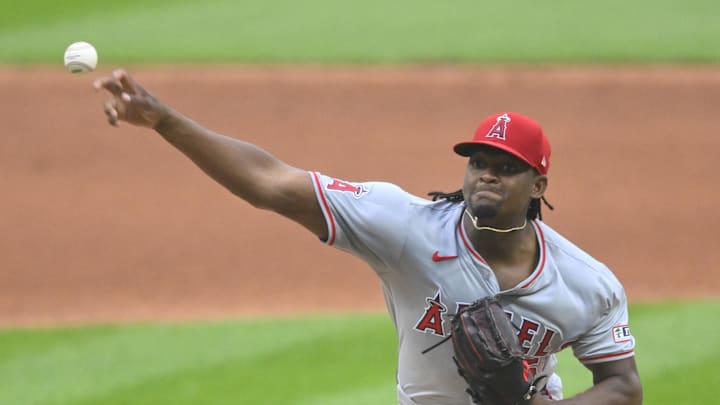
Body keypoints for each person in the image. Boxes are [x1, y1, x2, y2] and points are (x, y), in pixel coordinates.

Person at [94, 69, 643, 404]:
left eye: (506, 165)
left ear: (538, 183)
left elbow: (623, 387)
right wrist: (166, 120)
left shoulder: (585, 282)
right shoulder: (403, 226)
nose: (487, 174)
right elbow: (269, 182)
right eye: (478, 161)